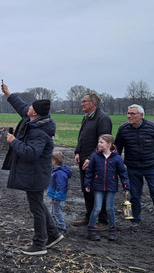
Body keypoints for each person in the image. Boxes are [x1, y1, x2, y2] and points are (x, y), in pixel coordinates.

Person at [1, 82, 63, 255]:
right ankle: (54, 234)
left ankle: (39, 245)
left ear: (34, 112)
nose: (28, 108)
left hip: (36, 175)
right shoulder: (34, 120)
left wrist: (14, 142)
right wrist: (8, 94)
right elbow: (21, 106)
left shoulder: (39, 132)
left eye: (31, 107)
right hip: (35, 174)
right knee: (38, 204)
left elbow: (31, 153)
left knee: (36, 208)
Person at [114, 104, 154, 237]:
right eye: (128, 113)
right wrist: (115, 166)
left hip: (152, 166)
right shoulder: (123, 129)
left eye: (133, 114)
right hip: (133, 167)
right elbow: (117, 149)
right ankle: (135, 219)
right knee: (134, 194)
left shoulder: (152, 128)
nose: (129, 116)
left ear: (141, 115)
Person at [72, 93, 112, 229]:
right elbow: (81, 137)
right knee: (86, 189)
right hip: (84, 161)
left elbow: (103, 143)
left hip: (97, 162)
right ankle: (89, 217)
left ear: (93, 103)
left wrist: (90, 158)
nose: (81, 104)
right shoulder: (87, 118)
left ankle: (103, 221)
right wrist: (77, 151)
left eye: (84, 101)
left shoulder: (103, 119)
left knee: (99, 190)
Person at [84, 135, 129, 241]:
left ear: (109, 144)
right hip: (98, 187)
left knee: (109, 208)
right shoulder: (95, 157)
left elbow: (123, 173)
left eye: (101, 142)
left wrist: (126, 187)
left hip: (111, 188)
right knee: (97, 208)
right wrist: (87, 184)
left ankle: (112, 230)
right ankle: (91, 230)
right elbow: (90, 171)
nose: (99, 144)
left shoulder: (117, 158)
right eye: (99, 142)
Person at [47, 151, 72, 233]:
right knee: (55, 211)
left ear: (54, 161)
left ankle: (61, 227)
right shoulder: (56, 170)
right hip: (56, 196)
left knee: (57, 212)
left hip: (58, 197)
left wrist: (57, 198)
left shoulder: (60, 173)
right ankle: (57, 225)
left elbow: (61, 187)